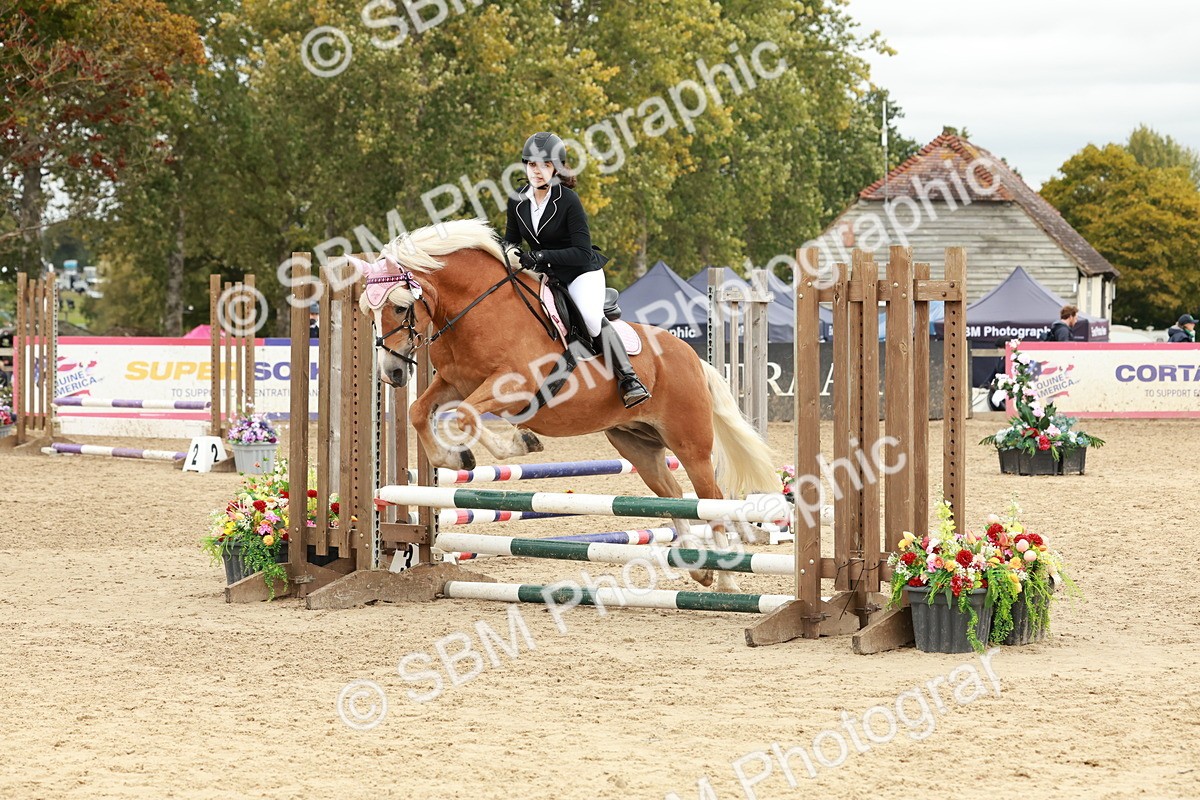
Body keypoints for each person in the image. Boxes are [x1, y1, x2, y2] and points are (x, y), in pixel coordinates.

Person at [503, 131, 649, 408]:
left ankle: (629, 379)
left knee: (590, 319)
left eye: (545, 165)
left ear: (556, 167)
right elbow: (511, 240)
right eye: (532, 164)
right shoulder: (517, 200)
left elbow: (582, 251)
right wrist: (508, 253)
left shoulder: (568, 200)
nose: (537, 171)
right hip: (546, 273)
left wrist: (540, 255)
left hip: (581, 272)